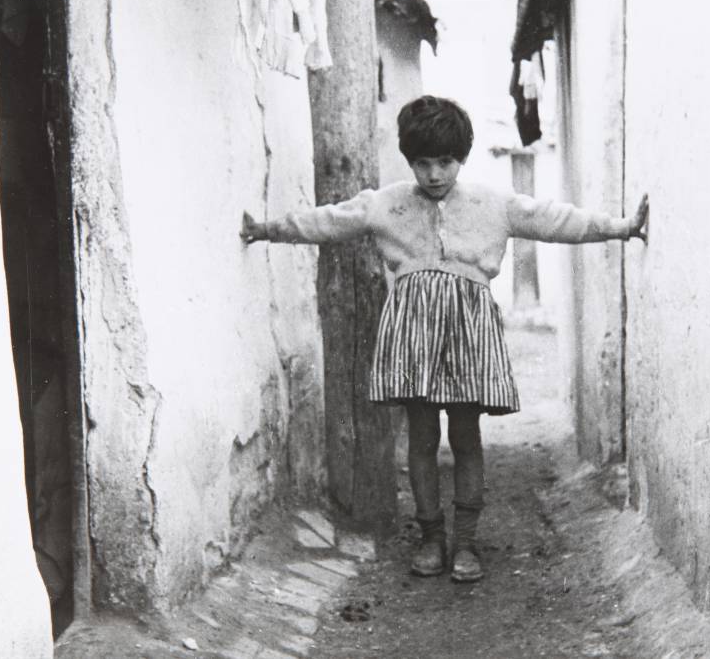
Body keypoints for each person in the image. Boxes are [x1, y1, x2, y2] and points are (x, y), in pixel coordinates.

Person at [240, 95, 647, 583]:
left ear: (463, 158)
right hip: (411, 333)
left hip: (469, 330)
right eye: (423, 163)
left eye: (446, 162)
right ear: (410, 161)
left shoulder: (493, 205)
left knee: (467, 437)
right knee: (422, 437)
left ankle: (467, 543)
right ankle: (431, 536)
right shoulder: (385, 203)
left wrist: (622, 228)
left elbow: (556, 220)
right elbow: (327, 221)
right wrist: (266, 230)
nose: (434, 174)